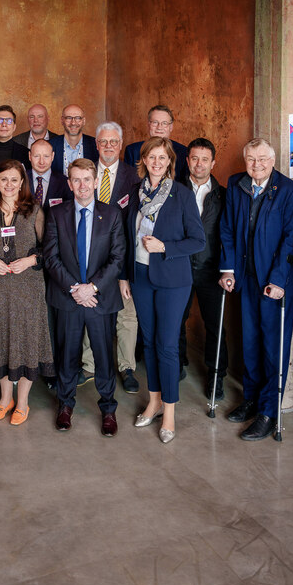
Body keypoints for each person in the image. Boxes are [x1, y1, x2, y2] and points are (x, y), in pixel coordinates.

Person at [122, 137, 205, 444]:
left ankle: (169, 411)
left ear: (170, 162)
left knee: (167, 345)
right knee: (150, 344)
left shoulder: (181, 195)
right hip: (140, 276)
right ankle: (154, 400)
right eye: (151, 157)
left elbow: (198, 241)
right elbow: (126, 239)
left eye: (162, 158)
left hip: (173, 279)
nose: (156, 163)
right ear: (142, 160)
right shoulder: (134, 192)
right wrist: (123, 276)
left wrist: (165, 247)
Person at [219, 138, 293, 441]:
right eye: (251, 160)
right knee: (250, 342)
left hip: (273, 284)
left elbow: (290, 240)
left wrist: (279, 280)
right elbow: (227, 228)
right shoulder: (236, 184)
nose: (257, 165)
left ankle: (269, 410)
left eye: (263, 159)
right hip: (245, 278)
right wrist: (227, 269)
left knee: (272, 347)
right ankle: (251, 399)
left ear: (273, 160)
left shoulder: (289, 191)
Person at [44, 159, 126, 436]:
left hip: (99, 299)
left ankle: (108, 408)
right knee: (67, 355)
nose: (81, 185)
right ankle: (65, 405)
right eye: (76, 180)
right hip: (68, 298)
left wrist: (92, 288)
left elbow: (117, 259)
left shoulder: (112, 214)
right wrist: (75, 289)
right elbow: (51, 258)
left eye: (86, 180)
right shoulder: (57, 214)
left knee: (104, 356)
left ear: (95, 182)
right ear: (69, 184)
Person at [0, 160, 55, 426]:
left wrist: (30, 260)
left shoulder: (34, 211)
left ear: (22, 183)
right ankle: (4, 399)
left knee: (26, 339)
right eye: (4, 179)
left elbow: (49, 247)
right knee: (1, 341)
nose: (9, 185)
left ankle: (23, 402)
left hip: (28, 286)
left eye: (14, 180)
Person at [81, 122, 142, 391]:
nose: (108, 146)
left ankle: (127, 367)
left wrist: (124, 271)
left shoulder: (135, 175)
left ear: (121, 144)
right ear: (96, 144)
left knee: (127, 315)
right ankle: (88, 365)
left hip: (123, 257)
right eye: (103, 141)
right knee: (89, 310)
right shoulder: (85, 172)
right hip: (90, 258)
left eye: (113, 142)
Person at [178, 138, 228, 401]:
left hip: (211, 269)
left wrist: (226, 269)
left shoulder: (223, 195)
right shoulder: (174, 189)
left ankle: (216, 375)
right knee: (176, 321)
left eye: (204, 159)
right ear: (187, 161)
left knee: (215, 325)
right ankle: (176, 364)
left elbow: (228, 235)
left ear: (213, 163)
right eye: (194, 158)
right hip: (180, 267)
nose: (199, 164)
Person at [123, 105, 189, 182]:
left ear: (171, 127)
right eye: (155, 122)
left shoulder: (183, 152)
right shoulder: (132, 151)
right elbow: (128, 184)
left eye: (164, 123)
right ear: (148, 125)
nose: (159, 127)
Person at [49, 104, 97, 176]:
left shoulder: (95, 145)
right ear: (62, 120)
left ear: (83, 121)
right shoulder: (50, 146)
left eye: (78, 118)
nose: (73, 122)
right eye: (69, 118)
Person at [27, 139, 72, 209]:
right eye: (36, 156)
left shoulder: (64, 183)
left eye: (46, 156)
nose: (41, 162)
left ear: (52, 156)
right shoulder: (20, 179)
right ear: (30, 156)